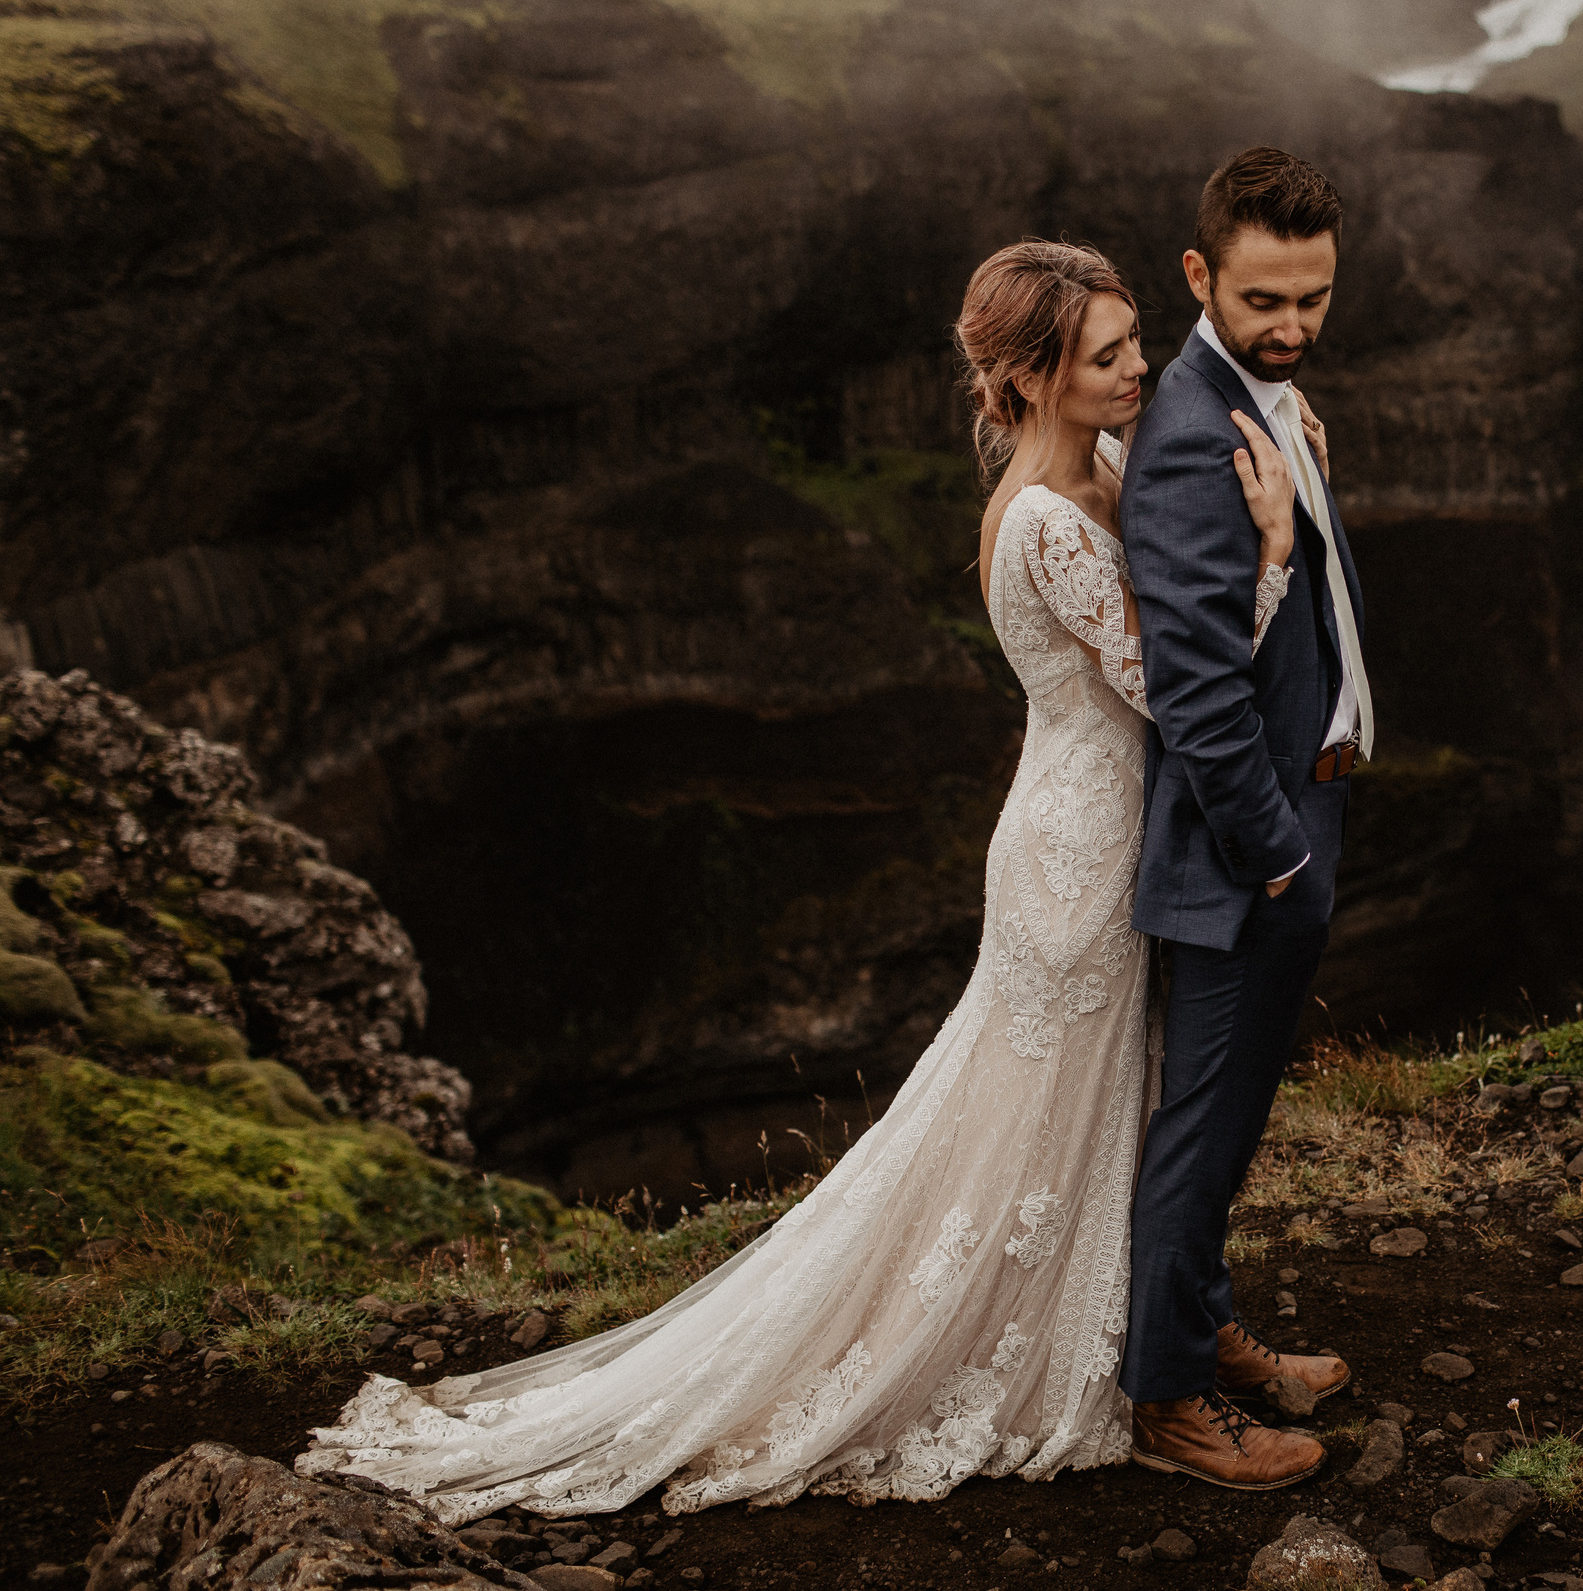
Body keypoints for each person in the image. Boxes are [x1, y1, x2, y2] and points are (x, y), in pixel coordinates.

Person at [295, 237, 1309, 1519]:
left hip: (1090, 823)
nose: (1137, 367)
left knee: (1118, 1098)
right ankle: (1070, 1355)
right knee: (1041, 1114)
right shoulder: (1048, 520)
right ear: (1037, 378)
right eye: (1106, 353)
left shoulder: (1096, 467)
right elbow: (1173, 689)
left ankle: (1167, 1328)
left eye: (1133, 340)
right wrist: (1273, 552)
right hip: (1076, 848)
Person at [1117, 146, 1374, 1488]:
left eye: (1313, 298)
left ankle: (1208, 1331)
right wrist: (1279, 853)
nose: (1291, 326)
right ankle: (1168, 1404)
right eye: (1264, 299)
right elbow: (1199, 693)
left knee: (1233, 1118)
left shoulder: (1262, 394)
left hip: (1292, 828)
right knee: (1202, 1129)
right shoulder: (1187, 436)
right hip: (1245, 855)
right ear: (1199, 274)